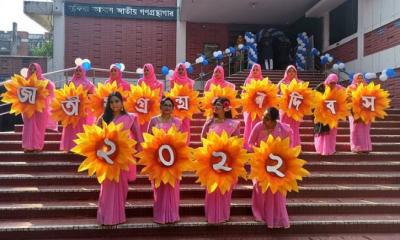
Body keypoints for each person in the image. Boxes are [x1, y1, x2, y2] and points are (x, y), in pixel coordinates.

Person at [97, 91, 142, 225]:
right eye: (111, 102)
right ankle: (105, 215)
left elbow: (138, 138)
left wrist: (139, 153)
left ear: (122, 103)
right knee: (107, 186)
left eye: (117, 101)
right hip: (107, 156)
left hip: (123, 156)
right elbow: (94, 135)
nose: (114, 104)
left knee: (121, 185)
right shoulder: (104, 118)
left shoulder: (131, 117)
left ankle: (118, 215)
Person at [248, 107, 293, 228]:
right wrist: (259, 151)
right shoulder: (258, 126)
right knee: (259, 188)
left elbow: (289, 148)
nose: (263, 120)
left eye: (267, 118)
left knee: (276, 191)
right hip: (260, 163)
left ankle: (275, 215)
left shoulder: (284, 130)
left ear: (274, 120)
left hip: (277, 166)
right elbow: (250, 142)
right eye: (263, 117)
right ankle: (259, 213)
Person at [200, 97, 240, 223]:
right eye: (215, 105)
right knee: (211, 188)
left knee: (225, 189)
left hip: (226, 162)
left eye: (218, 105)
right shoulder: (210, 121)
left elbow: (236, 142)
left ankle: (223, 214)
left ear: (225, 107)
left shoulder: (234, 124)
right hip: (212, 160)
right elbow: (202, 138)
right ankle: (211, 215)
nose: (215, 107)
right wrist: (207, 124)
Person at [147, 97, 183, 224]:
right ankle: (160, 215)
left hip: (173, 161)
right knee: (159, 188)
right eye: (165, 105)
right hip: (158, 160)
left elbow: (181, 142)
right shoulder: (153, 120)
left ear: (173, 108)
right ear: (160, 107)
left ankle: (172, 215)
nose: (167, 107)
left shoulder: (178, 122)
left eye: (170, 105)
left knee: (173, 187)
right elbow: (148, 140)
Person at [60, 65, 95, 152]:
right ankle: (69, 147)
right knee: (70, 128)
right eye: (76, 70)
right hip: (71, 110)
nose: (78, 72)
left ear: (83, 72)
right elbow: (65, 94)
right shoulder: (70, 82)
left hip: (82, 111)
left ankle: (79, 147)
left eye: (80, 70)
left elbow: (93, 96)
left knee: (80, 128)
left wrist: (84, 97)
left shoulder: (88, 84)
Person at [21, 63, 55, 152]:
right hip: (28, 108)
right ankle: (28, 146)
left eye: (34, 69)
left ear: (38, 70)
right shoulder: (25, 81)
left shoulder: (45, 81)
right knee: (28, 127)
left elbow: (51, 93)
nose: (32, 71)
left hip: (41, 109)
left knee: (39, 127)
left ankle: (37, 146)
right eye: (31, 69)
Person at [314, 73, 344, 155]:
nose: (333, 84)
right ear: (328, 81)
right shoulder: (321, 87)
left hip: (334, 114)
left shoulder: (339, 88)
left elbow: (344, 97)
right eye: (331, 82)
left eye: (334, 83)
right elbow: (314, 97)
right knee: (323, 131)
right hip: (322, 114)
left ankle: (331, 149)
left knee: (332, 132)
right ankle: (321, 149)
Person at [169, 63, 195, 143]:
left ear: (185, 70)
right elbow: (171, 93)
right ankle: (175, 143)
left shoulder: (189, 82)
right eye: (179, 69)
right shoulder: (173, 81)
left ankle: (185, 144)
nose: (180, 71)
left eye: (182, 69)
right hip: (175, 108)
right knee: (175, 125)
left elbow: (191, 94)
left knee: (185, 125)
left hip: (185, 108)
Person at [277, 65, 302, 147]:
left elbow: (304, 95)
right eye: (289, 71)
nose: (291, 73)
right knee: (284, 127)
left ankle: (295, 146)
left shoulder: (300, 83)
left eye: (293, 71)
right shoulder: (282, 82)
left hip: (296, 109)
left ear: (296, 73)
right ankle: (284, 147)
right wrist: (281, 97)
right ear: (286, 73)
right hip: (284, 109)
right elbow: (275, 94)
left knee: (294, 128)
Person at [347, 73, 372, 153]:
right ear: (355, 79)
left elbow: (372, 96)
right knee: (354, 130)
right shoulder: (350, 87)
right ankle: (355, 147)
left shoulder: (367, 87)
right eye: (358, 78)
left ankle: (365, 148)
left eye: (361, 78)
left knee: (365, 130)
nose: (360, 79)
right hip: (353, 112)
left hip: (365, 111)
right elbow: (347, 97)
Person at [137, 63, 164, 135]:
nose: (145, 72)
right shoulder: (140, 81)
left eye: (147, 70)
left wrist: (150, 104)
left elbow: (159, 97)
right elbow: (137, 94)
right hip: (142, 110)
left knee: (152, 129)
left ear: (151, 71)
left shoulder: (159, 84)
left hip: (153, 110)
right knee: (142, 130)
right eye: (144, 70)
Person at [243, 63, 264, 149]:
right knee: (250, 124)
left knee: (260, 124)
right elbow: (244, 93)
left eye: (257, 69)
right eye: (253, 70)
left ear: (260, 71)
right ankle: (249, 145)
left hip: (260, 107)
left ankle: (259, 143)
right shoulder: (248, 80)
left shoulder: (263, 80)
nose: (255, 71)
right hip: (251, 108)